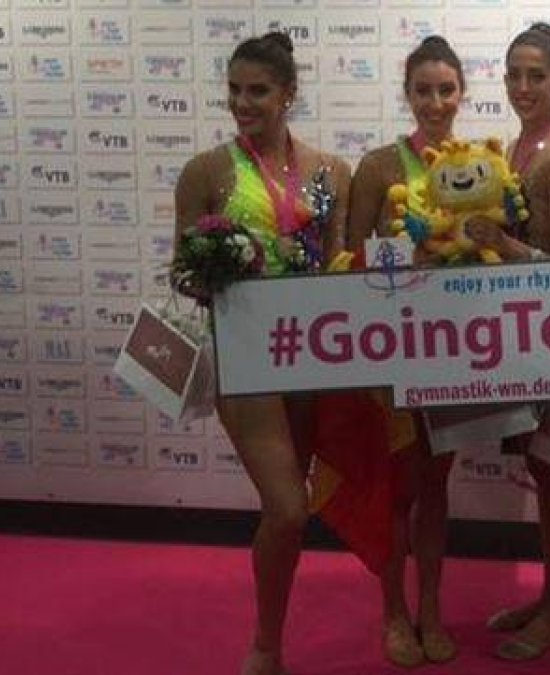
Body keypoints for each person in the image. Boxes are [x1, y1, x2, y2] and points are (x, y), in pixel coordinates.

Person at [172, 31, 352, 675]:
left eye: (258, 91)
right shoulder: (206, 172)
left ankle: (271, 638)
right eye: (235, 91)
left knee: (291, 519)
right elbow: (182, 274)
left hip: (313, 354)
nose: (243, 103)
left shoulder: (332, 171)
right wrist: (214, 264)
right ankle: (264, 646)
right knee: (287, 506)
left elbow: (343, 263)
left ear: (288, 94)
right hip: (245, 356)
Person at [461, 22, 550, 661]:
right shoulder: (519, 146)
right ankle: (548, 595)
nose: (522, 86)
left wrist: (499, 242)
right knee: (544, 472)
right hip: (522, 338)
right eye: (514, 74)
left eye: (536, 76)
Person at [344, 34, 465, 668]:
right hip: (392, 353)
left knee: (437, 487)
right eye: (424, 90)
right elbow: (354, 259)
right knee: (396, 489)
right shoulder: (378, 167)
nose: (436, 102)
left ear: (462, 94)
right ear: (407, 94)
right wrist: (410, 264)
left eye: (446, 90)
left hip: (453, 355)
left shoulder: (481, 163)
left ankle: (435, 611)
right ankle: (393, 613)